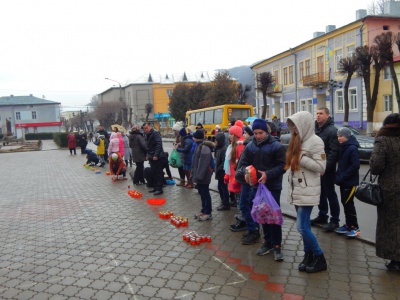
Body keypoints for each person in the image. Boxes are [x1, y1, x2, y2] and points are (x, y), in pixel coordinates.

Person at [235, 119, 286, 261]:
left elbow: (283, 166)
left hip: (273, 187)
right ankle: (267, 242)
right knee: (263, 215)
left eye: (260, 133)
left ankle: (277, 245)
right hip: (256, 186)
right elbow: (242, 164)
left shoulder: (277, 146)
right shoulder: (250, 146)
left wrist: (267, 174)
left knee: (274, 217)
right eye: (256, 133)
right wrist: (245, 172)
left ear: (267, 131)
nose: (258, 136)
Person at [286, 111, 327, 273]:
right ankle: (308, 255)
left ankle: (319, 257)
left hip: (308, 189)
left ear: (305, 124)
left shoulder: (316, 142)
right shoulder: (297, 139)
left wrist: (300, 158)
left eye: (296, 124)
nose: (294, 128)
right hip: (297, 189)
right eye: (292, 124)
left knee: (302, 227)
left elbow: (321, 167)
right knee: (303, 226)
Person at [370, 113, 400, 271]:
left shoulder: (383, 140)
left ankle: (395, 260)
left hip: (391, 189)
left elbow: (375, 166)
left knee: (391, 225)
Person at [311, 107, 340, 232]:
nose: (318, 115)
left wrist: (325, 168)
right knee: (320, 193)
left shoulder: (332, 131)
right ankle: (322, 215)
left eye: (321, 113)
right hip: (316, 167)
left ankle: (334, 220)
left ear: (327, 115)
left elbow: (334, 152)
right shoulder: (315, 129)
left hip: (327, 169)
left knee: (330, 193)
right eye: (317, 113)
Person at [334, 127, 361, 238]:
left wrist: (343, 176)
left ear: (347, 136)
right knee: (345, 203)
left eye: (341, 136)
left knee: (349, 205)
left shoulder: (352, 148)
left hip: (350, 182)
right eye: (338, 136)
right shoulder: (343, 147)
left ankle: (355, 227)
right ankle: (348, 225)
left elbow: (355, 165)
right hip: (343, 181)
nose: (339, 138)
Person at [191, 129, 215, 221]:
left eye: (194, 136)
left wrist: (198, 176)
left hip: (203, 175)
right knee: (202, 192)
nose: (193, 138)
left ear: (197, 138)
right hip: (200, 174)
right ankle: (203, 209)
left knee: (205, 193)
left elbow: (203, 164)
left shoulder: (204, 147)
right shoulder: (199, 145)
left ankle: (208, 212)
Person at [224, 125, 245, 207]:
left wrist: (235, 179)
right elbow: (230, 164)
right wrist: (227, 176)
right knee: (239, 200)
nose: (229, 136)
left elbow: (239, 165)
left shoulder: (239, 145)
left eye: (232, 134)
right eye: (229, 133)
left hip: (238, 178)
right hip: (233, 177)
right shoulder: (232, 146)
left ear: (236, 135)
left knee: (241, 203)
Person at [143, 123, 166, 195]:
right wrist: (147, 155)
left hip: (157, 157)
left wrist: (156, 155)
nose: (145, 130)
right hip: (151, 156)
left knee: (158, 173)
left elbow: (159, 144)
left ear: (150, 126)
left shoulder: (155, 133)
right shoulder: (147, 135)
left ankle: (159, 189)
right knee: (153, 172)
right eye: (144, 129)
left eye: (146, 128)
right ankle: (155, 187)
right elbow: (148, 146)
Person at [214, 132, 230, 211]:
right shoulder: (219, 148)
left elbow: (224, 162)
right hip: (220, 172)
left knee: (223, 188)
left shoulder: (223, 149)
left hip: (222, 173)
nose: (215, 142)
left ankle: (226, 203)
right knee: (220, 188)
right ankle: (223, 202)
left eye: (216, 140)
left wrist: (219, 169)